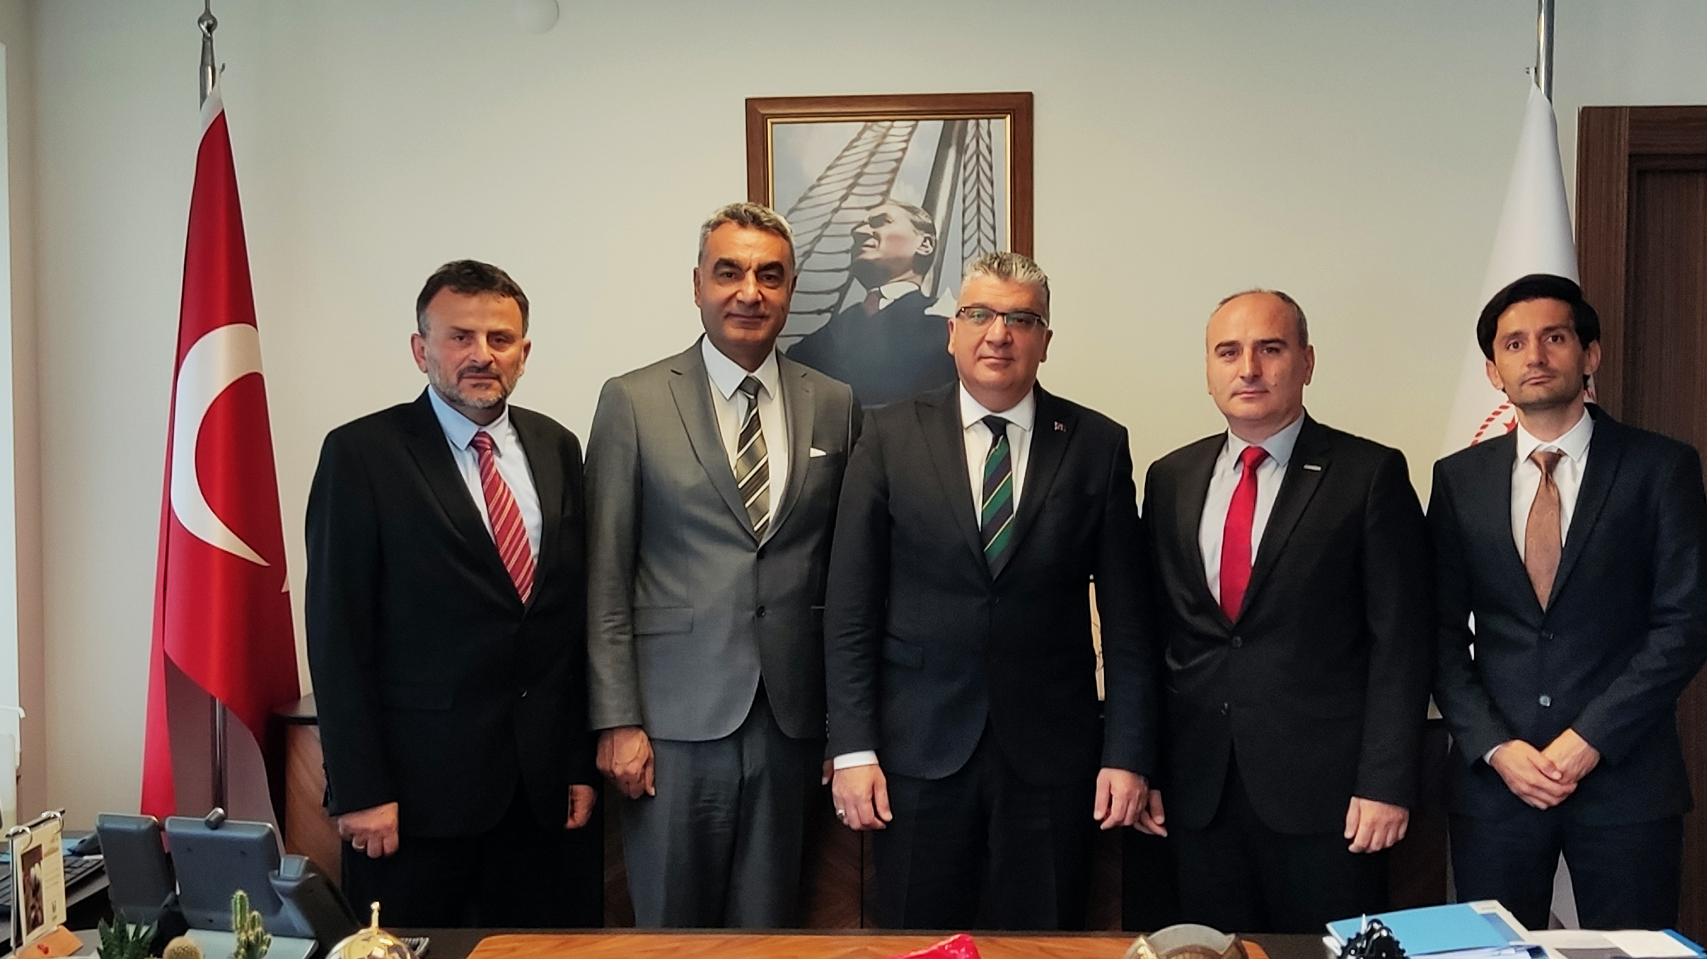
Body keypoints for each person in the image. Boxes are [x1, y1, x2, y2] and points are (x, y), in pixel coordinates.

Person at [824, 250, 1157, 930]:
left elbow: (1130, 622)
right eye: (979, 314)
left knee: (1044, 944)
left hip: (1052, 759)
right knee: (917, 944)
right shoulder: (888, 434)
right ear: (952, 331)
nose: (998, 333)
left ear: (1045, 340)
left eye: (1020, 319)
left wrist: (1126, 754)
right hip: (916, 755)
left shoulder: (1096, 444)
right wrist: (853, 747)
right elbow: (851, 607)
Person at [586, 202, 863, 927]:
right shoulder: (633, 400)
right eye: (729, 272)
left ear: (791, 288)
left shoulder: (835, 404)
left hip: (791, 723)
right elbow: (605, 576)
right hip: (669, 728)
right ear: (697, 284)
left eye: (770, 275)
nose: (750, 292)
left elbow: (847, 575)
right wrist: (616, 719)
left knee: (771, 929)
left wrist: (844, 726)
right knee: (672, 933)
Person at [305, 260, 598, 927]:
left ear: (524, 352)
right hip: (414, 803)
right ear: (421, 350)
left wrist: (576, 763)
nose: (481, 355)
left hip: (540, 800)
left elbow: (565, 623)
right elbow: (336, 634)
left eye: (500, 339)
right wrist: (361, 789)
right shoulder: (361, 454)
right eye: (460, 337)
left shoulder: (557, 446)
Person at [1134, 290, 1433, 933]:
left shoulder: (1368, 473)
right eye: (1228, 352)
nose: (1249, 368)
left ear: (1307, 362)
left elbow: (1402, 643)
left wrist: (1386, 782)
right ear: (1208, 370)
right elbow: (1155, 637)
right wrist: (1145, 764)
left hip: (1329, 803)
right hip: (1196, 795)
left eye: (1269, 349)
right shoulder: (1169, 478)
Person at [1430, 273, 1707, 930]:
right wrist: (1495, 747)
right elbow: (1437, 632)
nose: (1534, 355)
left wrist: (1590, 739)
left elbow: (1688, 622)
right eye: (1514, 344)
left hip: (1626, 779)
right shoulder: (1458, 480)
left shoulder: (1659, 467)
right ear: (1493, 371)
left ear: (1590, 355)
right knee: (1493, 955)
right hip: (1496, 787)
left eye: (1554, 338)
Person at [786, 201, 955, 406]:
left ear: (925, 244)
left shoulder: (951, 331)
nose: (859, 232)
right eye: (860, 226)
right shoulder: (812, 345)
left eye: (881, 222)